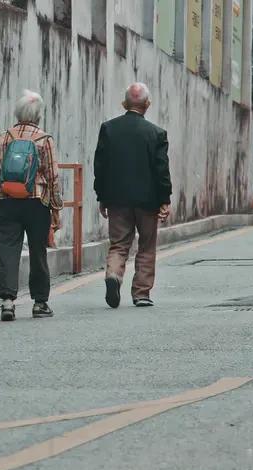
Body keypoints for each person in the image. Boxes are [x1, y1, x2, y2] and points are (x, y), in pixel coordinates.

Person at [93, 82, 172, 308]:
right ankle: (141, 293)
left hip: (117, 199)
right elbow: (161, 170)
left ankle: (113, 275)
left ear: (124, 103)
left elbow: (100, 166)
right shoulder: (156, 133)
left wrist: (102, 196)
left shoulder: (108, 129)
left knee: (119, 244)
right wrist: (164, 199)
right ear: (147, 104)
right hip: (148, 201)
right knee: (146, 246)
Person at [0, 89, 63, 321]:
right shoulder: (44, 139)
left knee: (7, 251)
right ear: (38, 115)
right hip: (36, 203)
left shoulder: (4, 137)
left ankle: (7, 302)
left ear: (17, 113)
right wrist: (56, 208)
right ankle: (40, 303)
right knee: (38, 251)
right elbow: (53, 177)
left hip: (7, 202)